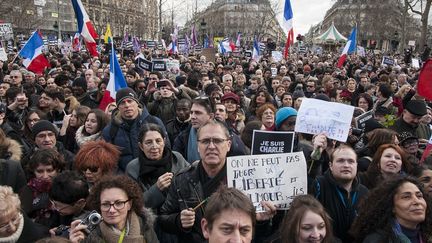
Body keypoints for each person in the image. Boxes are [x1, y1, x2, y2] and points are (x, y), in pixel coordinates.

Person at [160, 120, 276, 242]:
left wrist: (261, 222)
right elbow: (163, 218)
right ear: (198, 146)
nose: (211, 146)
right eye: (205, 141)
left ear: (229, 145)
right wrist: (178, 220)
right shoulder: (181, 179)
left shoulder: (246, 177)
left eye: (217, 141)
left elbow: (256, 234)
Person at [68, 175, 159, 243]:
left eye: (119, 203)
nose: (112, 210)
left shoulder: (144, 224)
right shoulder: (86, 233)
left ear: (129, 204)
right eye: (105, 204)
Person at [309, 144, 368, 243]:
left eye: (351, 161)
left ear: (356, 165)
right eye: (340, 161)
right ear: (331, 166)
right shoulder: (319, 185)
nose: (346, 165)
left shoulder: (365, 192)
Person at [102, 87, 167, 172]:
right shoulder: (110, 130)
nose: (127, 105)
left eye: (130, 101)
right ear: (118, 107)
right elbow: (110, 161)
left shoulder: (154, 121)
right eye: (122, 103)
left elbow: (166, 150)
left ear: (137, 103)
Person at [351, 176, 432, 242]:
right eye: (406, 197)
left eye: (419, 196)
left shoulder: (427, 235)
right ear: (392, 206)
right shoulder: (377, 240)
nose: (417, 201)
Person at [126, 124, 189, 209]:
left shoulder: (177, 158)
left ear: (164, 141)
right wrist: (157, 188)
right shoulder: (133, 168)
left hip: (177, 214)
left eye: (158, 141)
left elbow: (192, 185)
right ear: (141, 146)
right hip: (150, 218)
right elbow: (134, 204)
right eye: (148, 142)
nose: (154, 146)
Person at [19, 149, 66, 227]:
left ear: (58, 169)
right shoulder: (27, 191)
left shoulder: (66, 186)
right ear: (33, 171)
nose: (45, 176)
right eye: (40, 171)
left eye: (49, 170)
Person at [49, 171, 89, 238]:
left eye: (60, 206)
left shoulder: (93, 219)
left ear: (80, 202)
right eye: (53, 203)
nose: (55, 208)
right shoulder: (62, 212)